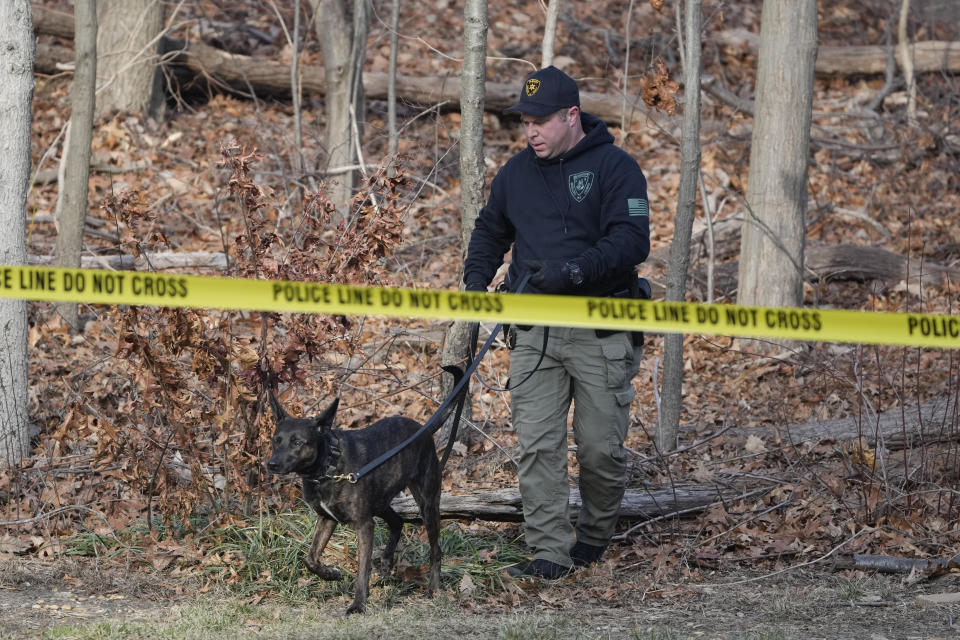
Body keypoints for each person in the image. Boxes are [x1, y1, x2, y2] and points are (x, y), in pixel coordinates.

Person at [463, 66, 650, 578]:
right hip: (534, 331)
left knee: (599, 450)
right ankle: (549, 552)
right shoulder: (516, 175)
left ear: (572, 116)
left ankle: (592, 538)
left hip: (601, 327)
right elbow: (488, 233)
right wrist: (475, 284)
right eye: (525, 122)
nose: (531, 132)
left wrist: (572, 270)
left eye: (541, 121)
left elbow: (633, 240)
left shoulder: (616, 167)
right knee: (538, 445)